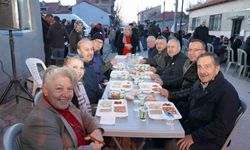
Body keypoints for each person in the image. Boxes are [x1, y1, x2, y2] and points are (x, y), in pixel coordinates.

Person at [169, 53, 241, 150]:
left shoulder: (227, 93)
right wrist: (171, 112)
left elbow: (222, 126)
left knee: (171, 145)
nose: (202, 71)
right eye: (199, 67)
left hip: (209, 139)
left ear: (217, 69)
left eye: (207, 67)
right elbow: (188, 105)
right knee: (164, 133)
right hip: (193, 127)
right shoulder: (199, 83)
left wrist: (194, 137)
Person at [21, 66, 104, 149]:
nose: (66, 95)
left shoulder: (63, 104)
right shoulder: (40, 121)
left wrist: (96, 129)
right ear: (45, 90)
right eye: (59, 88)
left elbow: (84, 116)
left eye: (69, 89)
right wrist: (91, 148)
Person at [160, 39, 206, 114]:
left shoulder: (202, 69)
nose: (191, 53)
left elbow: (191, 91)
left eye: (196, 50)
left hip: (188, 105)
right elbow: (181, 80)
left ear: (203, 52)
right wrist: (163, 83)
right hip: (181, 97)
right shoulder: (191, 63)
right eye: (190, 50)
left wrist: (170, 94)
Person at [77, 39, 104, 105]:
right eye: (86, 50)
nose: (90, 52)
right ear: (79, 51)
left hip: (97, 100)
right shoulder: (79, 69)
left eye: (92, 49)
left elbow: (96, 89)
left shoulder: (89, 65)